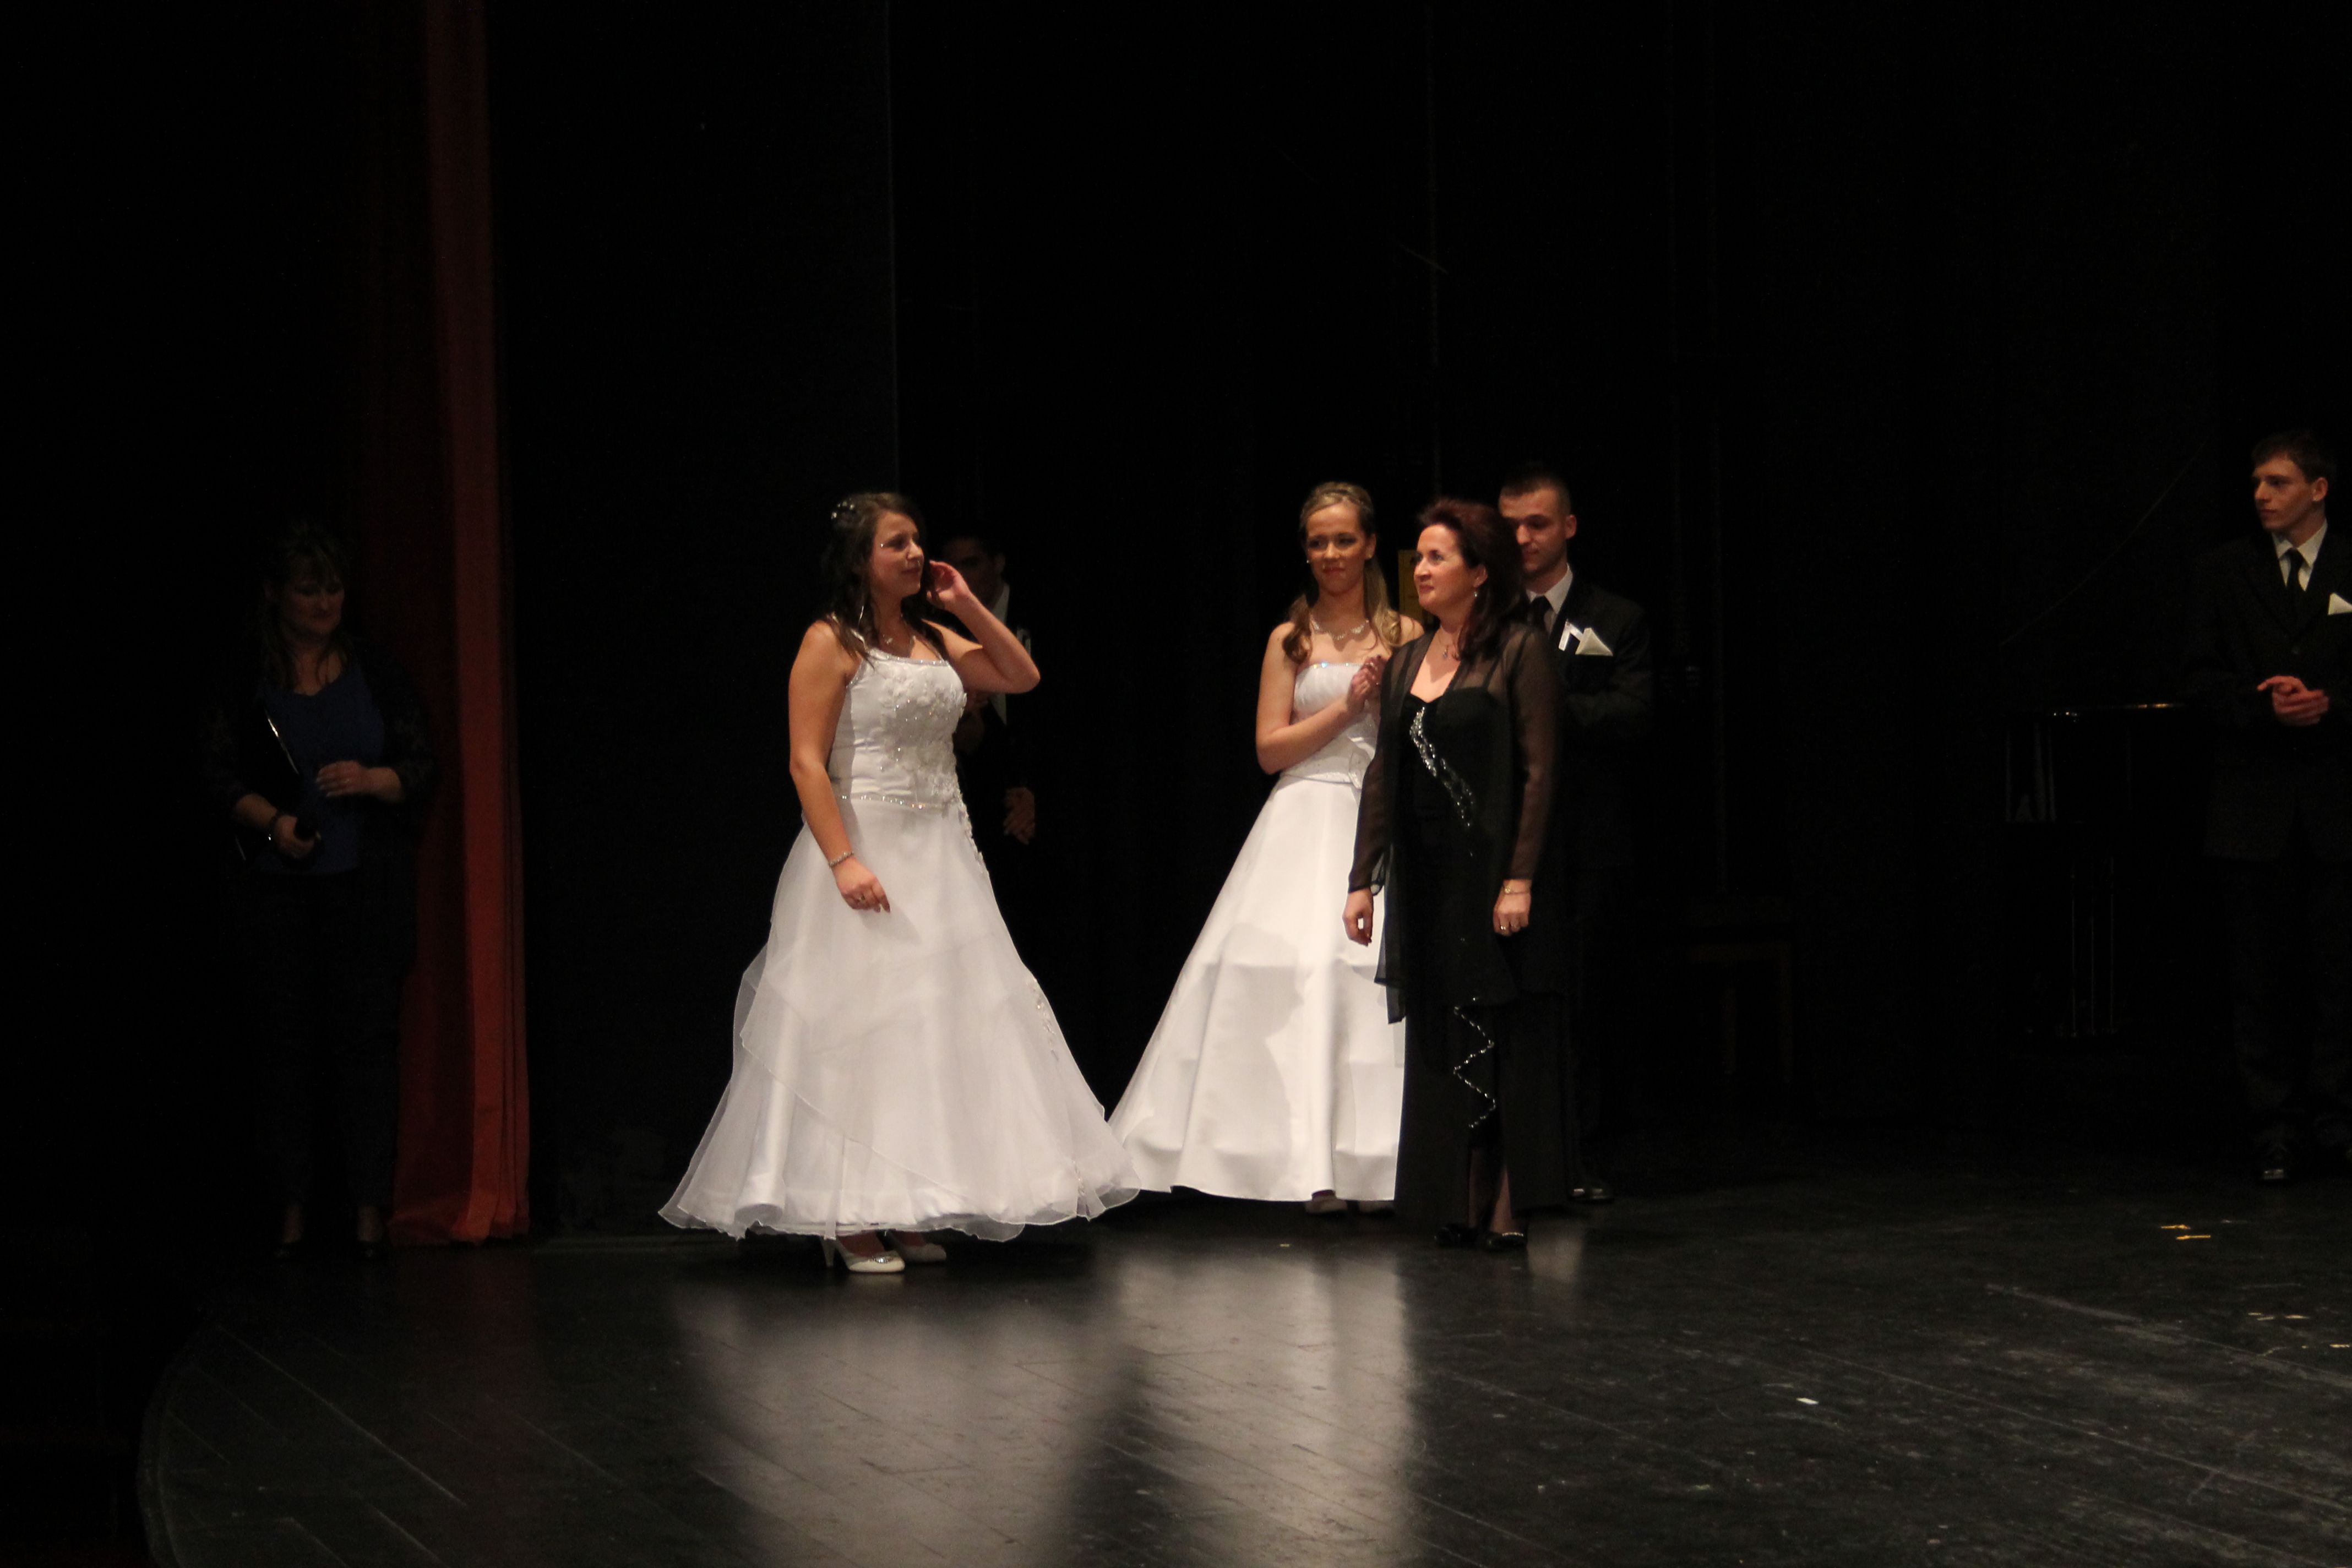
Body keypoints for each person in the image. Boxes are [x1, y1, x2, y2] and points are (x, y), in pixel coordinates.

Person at [661, 493, 1136, 1272]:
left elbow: (1021, 675)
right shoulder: (831, 640)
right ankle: (849, 1215)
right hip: (867, 841)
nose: (915, 554)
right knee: (861, 1030)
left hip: (941, 852)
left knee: (929, 1031)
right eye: (897, 544)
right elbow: (806, 761)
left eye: (917, 541)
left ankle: (908, 1203)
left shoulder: (934, 636)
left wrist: (965, 602)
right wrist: (843, 859)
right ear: (861, 560)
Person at [1111, 482, 1418, 1213]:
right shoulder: (1291, 639)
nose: (1331, 554)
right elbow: (1270, 749)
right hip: (1305, 811)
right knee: (1296, 970)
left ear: (1371, 545)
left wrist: (1388, 709)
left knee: (1365, 975)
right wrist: (1347, 707)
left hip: (1378, 815)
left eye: (1344, 539)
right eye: (1318, 542)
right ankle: (1298, 1164)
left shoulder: (1405, 633)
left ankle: (1378, 1163)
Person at [202, 523, 437, 1260]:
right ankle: (291, 1211)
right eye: (309, 590)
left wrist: (373, 779)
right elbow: (214, 773)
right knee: (283, 1052)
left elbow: (422, 764)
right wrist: (273, 823)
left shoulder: (374, 668)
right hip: (273, 895)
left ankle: (368, 1210)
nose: (325, 602)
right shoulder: (245, 673)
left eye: (334, 588)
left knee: (364, 1050)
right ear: (276, 595)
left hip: (361, 890)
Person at [1346, 498, 1562, 1250]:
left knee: (1503, 1029)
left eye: (1439, 556)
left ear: (1479, 572)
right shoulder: (1408, 660)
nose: (1423, 569)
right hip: (1430, 877)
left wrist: (1520, 877)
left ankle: (1508, 1195)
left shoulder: (1519, 650)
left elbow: (1539, 771)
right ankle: (1459, 1187)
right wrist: (1362, 877)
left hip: (1493, 872)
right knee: (1444, 1030)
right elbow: (1385, 772)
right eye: (1421, 556)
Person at [2183, 429, 2351, 1184]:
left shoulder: (2350, 566)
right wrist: (2261, 706)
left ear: (2318, 489)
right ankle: (2273, 1128)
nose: (2260, 495)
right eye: (2256, 482)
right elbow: (2198, 680)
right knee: (2260, 981)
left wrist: (2330, 704)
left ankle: (2338, 1121)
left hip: (2336, 807)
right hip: (2252, 810)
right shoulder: (2223, 572)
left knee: (2338, 977)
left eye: (2277, 482)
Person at [1496, 464, 1655, 1203]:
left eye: (1536, 524)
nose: (1522, 539)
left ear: (1568, 527)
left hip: (1589, 838)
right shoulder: (1490, 615)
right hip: (1507, 839)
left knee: (1586, 997)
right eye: (1510, 527)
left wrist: (1546, 702)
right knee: (1515, 996)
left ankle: (1581, 1152)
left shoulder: (1615, 617)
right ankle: (1508, 1154)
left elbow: (1634, 714)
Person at [936, 530, 1039, 957]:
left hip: (1030, 786)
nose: (962, 575)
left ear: (997, 563)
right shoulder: (937, 631)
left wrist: (1033, 789)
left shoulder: (942, 630)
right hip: (966, 795)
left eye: (972, 564)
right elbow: (969, 737)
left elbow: (1027, 679)